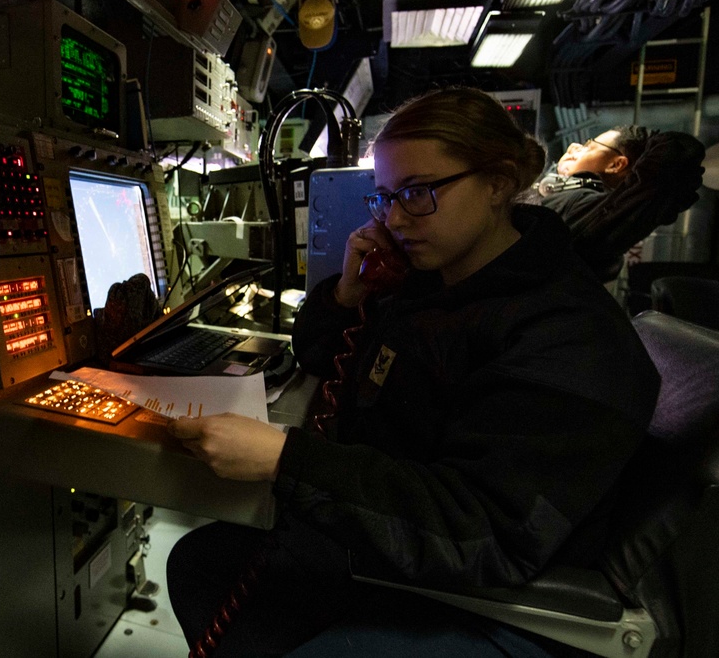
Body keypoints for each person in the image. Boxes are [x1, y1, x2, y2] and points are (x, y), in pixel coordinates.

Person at [165, 87, 661, 657]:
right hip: (406, 542)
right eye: (387, 197)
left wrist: (285, 458)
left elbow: (481, 530)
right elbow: (326, 357)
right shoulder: (440, 284)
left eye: (418, 193)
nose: (396, 219)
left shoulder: (568, 335)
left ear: (498, 183)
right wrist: (351, 293)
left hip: (482, 596)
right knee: (202, 563)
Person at [526, 125, 704, 282]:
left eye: (589, 146)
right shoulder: (551, 189)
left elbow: (673, 158)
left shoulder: (583, 206)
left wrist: (647, 137)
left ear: (616, 164)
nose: (573, 147)